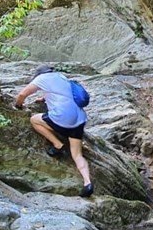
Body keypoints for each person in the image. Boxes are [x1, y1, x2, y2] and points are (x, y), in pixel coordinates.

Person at [15, 65, 94, 197]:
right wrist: (43, 99)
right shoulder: (60, 76)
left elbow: (22, 94)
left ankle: (57, 144)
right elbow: (60, 92)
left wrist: (18, 105)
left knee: (34, 120)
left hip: (62, 119)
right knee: (77, 155)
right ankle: (87, 183)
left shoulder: (41, 79)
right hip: (79, 120)